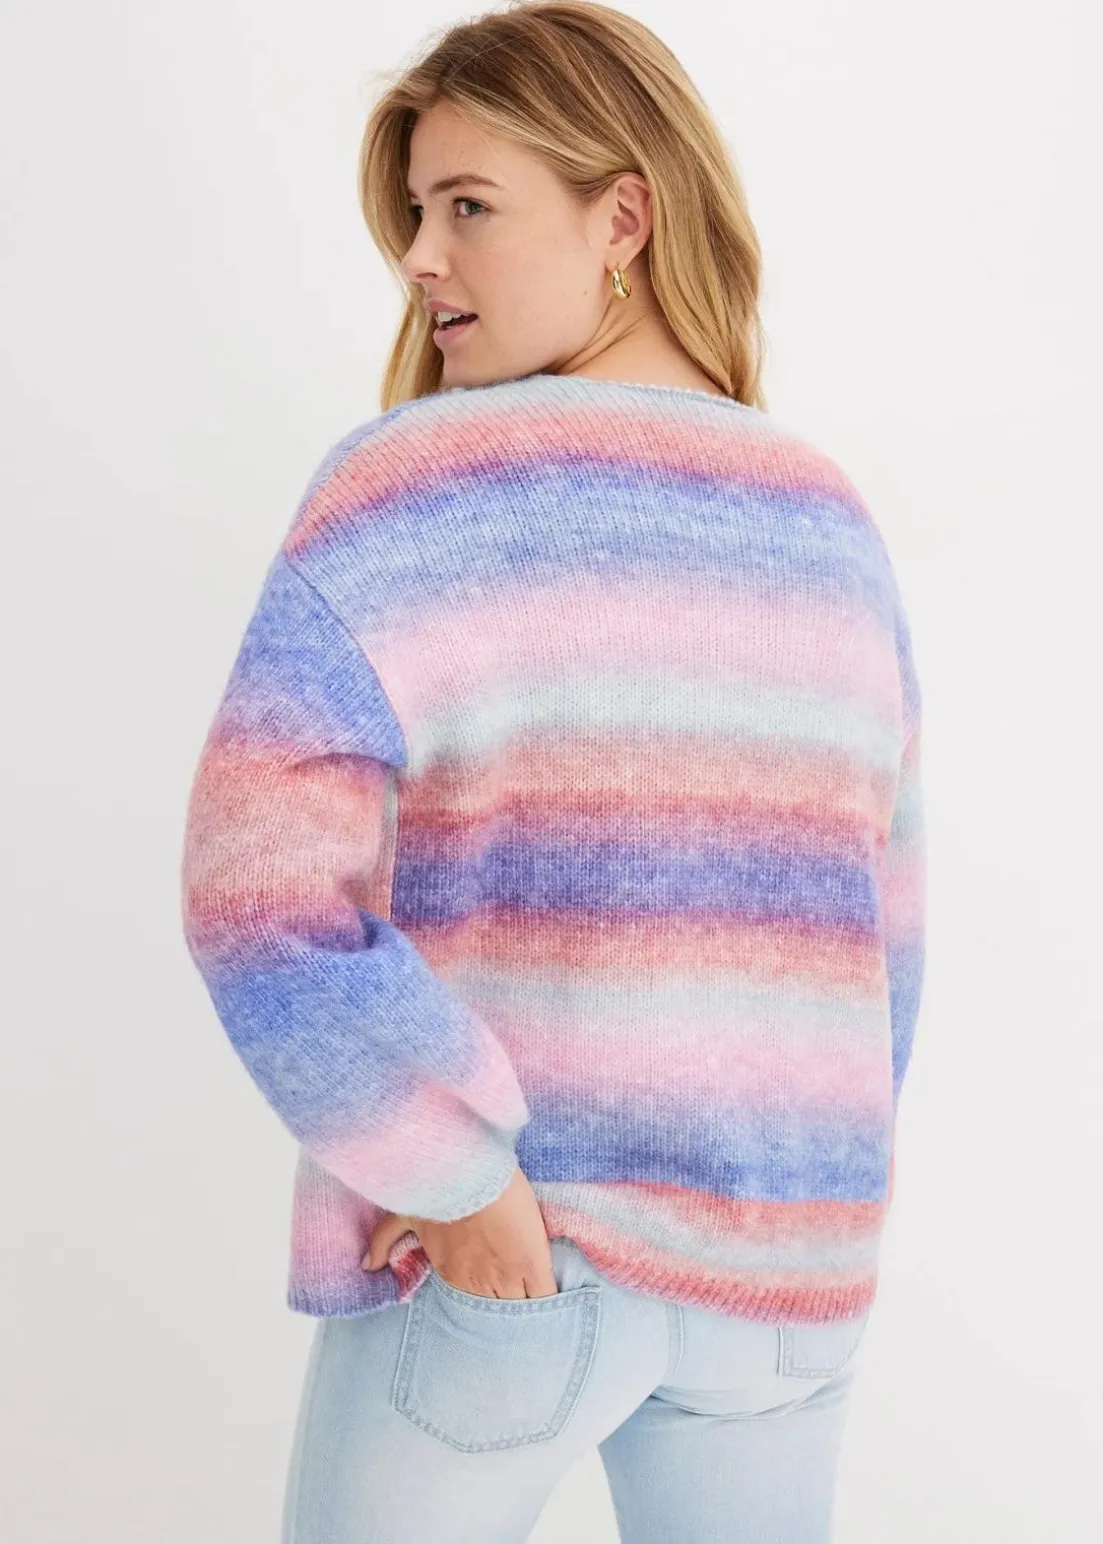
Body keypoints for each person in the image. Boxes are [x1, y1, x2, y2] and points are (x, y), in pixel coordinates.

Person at [179, 4, 925, 1540]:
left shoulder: (411, 490)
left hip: (520, 1265)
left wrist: (453, 1180)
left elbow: (256, 901)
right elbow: (876, 945)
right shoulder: (828, 523)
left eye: (467, 206)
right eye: (413, 214)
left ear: (622, 219)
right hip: (784, 1294)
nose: (418, 257)